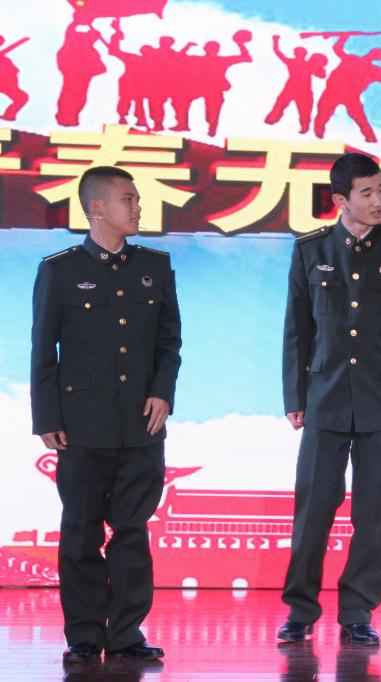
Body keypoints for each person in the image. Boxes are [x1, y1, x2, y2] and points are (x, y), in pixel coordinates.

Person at [30, 165, 182, 663]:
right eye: (127, 199)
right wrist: (47, 418)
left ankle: (126, 634)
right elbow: (42, 351)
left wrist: (162, 393)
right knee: (81, 531)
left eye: (137, 199)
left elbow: (169, 342)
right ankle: (84, 635)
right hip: (81, 425)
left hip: (142, 424)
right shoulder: (60, 270)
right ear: (96, 207)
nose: (138, 207)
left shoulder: (155, 267)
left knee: (132, 532)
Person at [277, 152, 381, 646]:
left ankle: (358, 610)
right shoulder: (311, 250)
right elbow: (297, 329)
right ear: (341, 200)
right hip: (324, 398)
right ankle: (300, 609)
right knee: (313, 506)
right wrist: (295, 395)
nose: (379, 200)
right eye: (367, 193)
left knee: (373, 511)